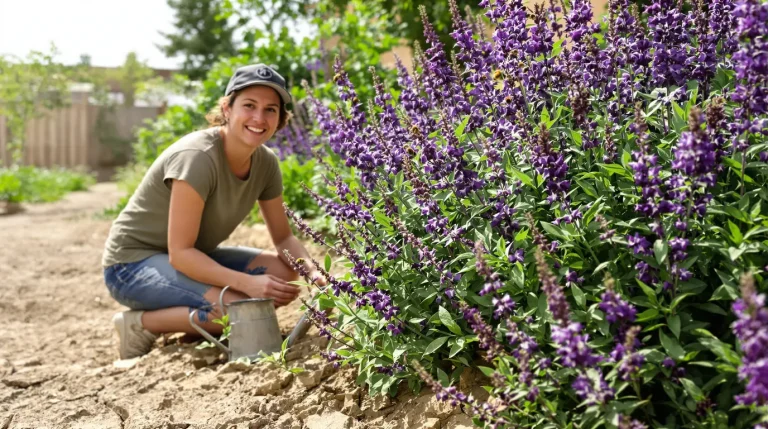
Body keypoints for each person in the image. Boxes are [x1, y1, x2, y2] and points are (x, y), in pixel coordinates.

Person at [102, 64, 326, 360]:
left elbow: (284, 238)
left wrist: (315, 274)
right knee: (236, 311)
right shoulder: (197, 158)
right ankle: (141, 323)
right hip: (131, 265)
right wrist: (247, 283)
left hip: (190, 259)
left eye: (270, 109)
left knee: (285, 274)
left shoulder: (266, 164)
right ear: (227, 108)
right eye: (249, 105)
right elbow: (180, 253)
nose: (259, 118)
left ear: (281, 119)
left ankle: (193, 318)